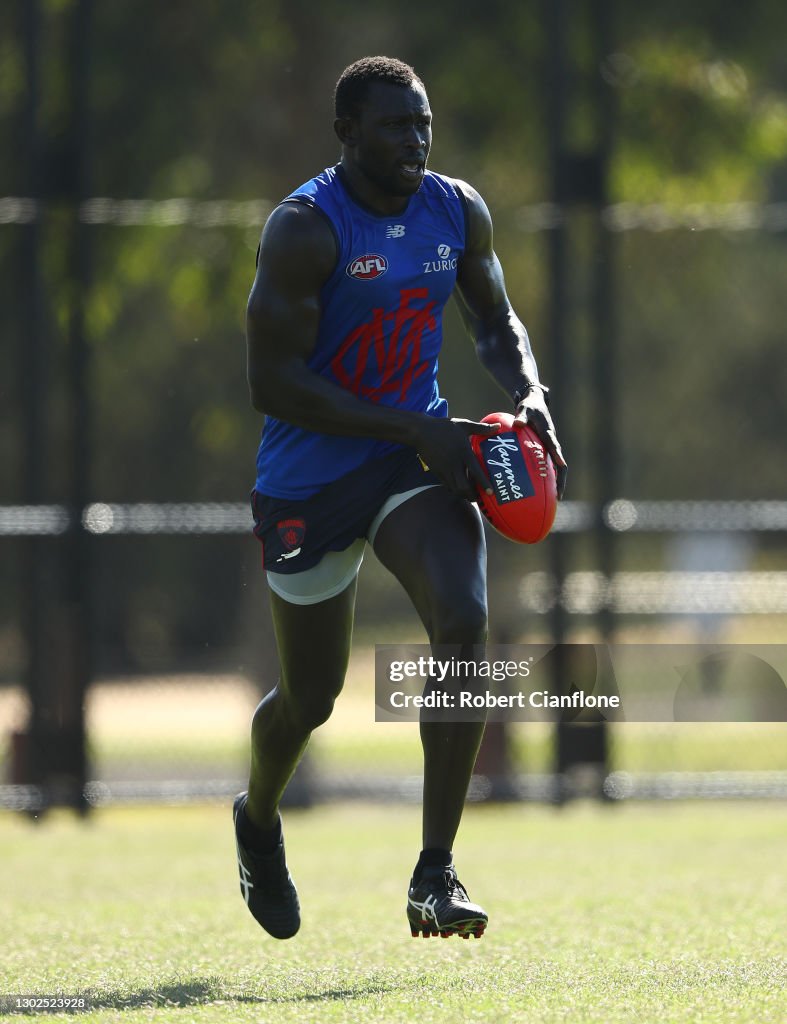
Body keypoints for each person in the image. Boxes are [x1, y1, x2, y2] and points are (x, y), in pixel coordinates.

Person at [233, 55, 567, 941]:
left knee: (462, 618)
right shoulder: (305, 229)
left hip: (410, 459)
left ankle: (434, 873)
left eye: (421, 123)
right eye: (392, 125)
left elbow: (494, 323)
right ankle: (257, 820)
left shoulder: (454, 210)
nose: (414, 140)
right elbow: (272, 384)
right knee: (309, 699)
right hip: (308, 479)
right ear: (345, 133)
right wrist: (412, 429)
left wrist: (528, 391)